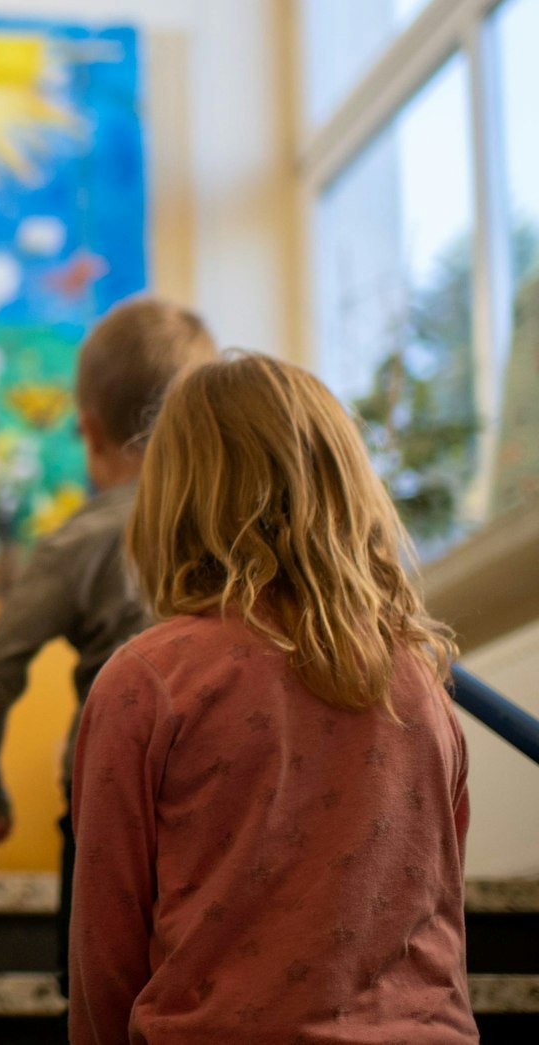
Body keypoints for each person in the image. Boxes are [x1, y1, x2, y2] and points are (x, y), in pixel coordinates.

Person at [70, 353, 476, 1043]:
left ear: (176, 496)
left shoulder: (149, 681)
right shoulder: (419, 681)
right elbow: (439, 908)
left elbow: (104, 947)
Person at [0, 297, 215, 995]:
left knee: (105, 990)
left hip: (111, 796)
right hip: (235, 787)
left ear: (87, 427)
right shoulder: (237, 522)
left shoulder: (77, 541)